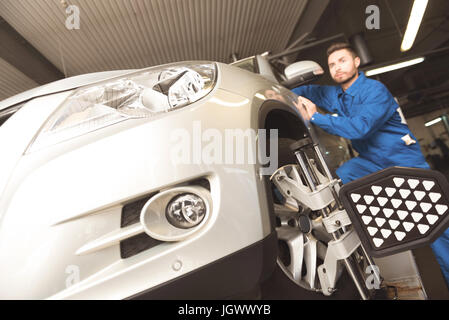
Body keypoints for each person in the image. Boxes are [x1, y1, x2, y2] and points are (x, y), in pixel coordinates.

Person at [292, 42, 449, 287]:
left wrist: (315, 117)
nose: (337, 67)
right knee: (343, 175)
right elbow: (309, 90)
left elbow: (360, 128)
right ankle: (358, 234)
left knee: (438, 231)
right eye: (332, 64)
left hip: (405, 165)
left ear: (356, 62)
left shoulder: (375, 90)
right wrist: (276, 88)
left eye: (342, 60)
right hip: (371, 163)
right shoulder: (338, 95)